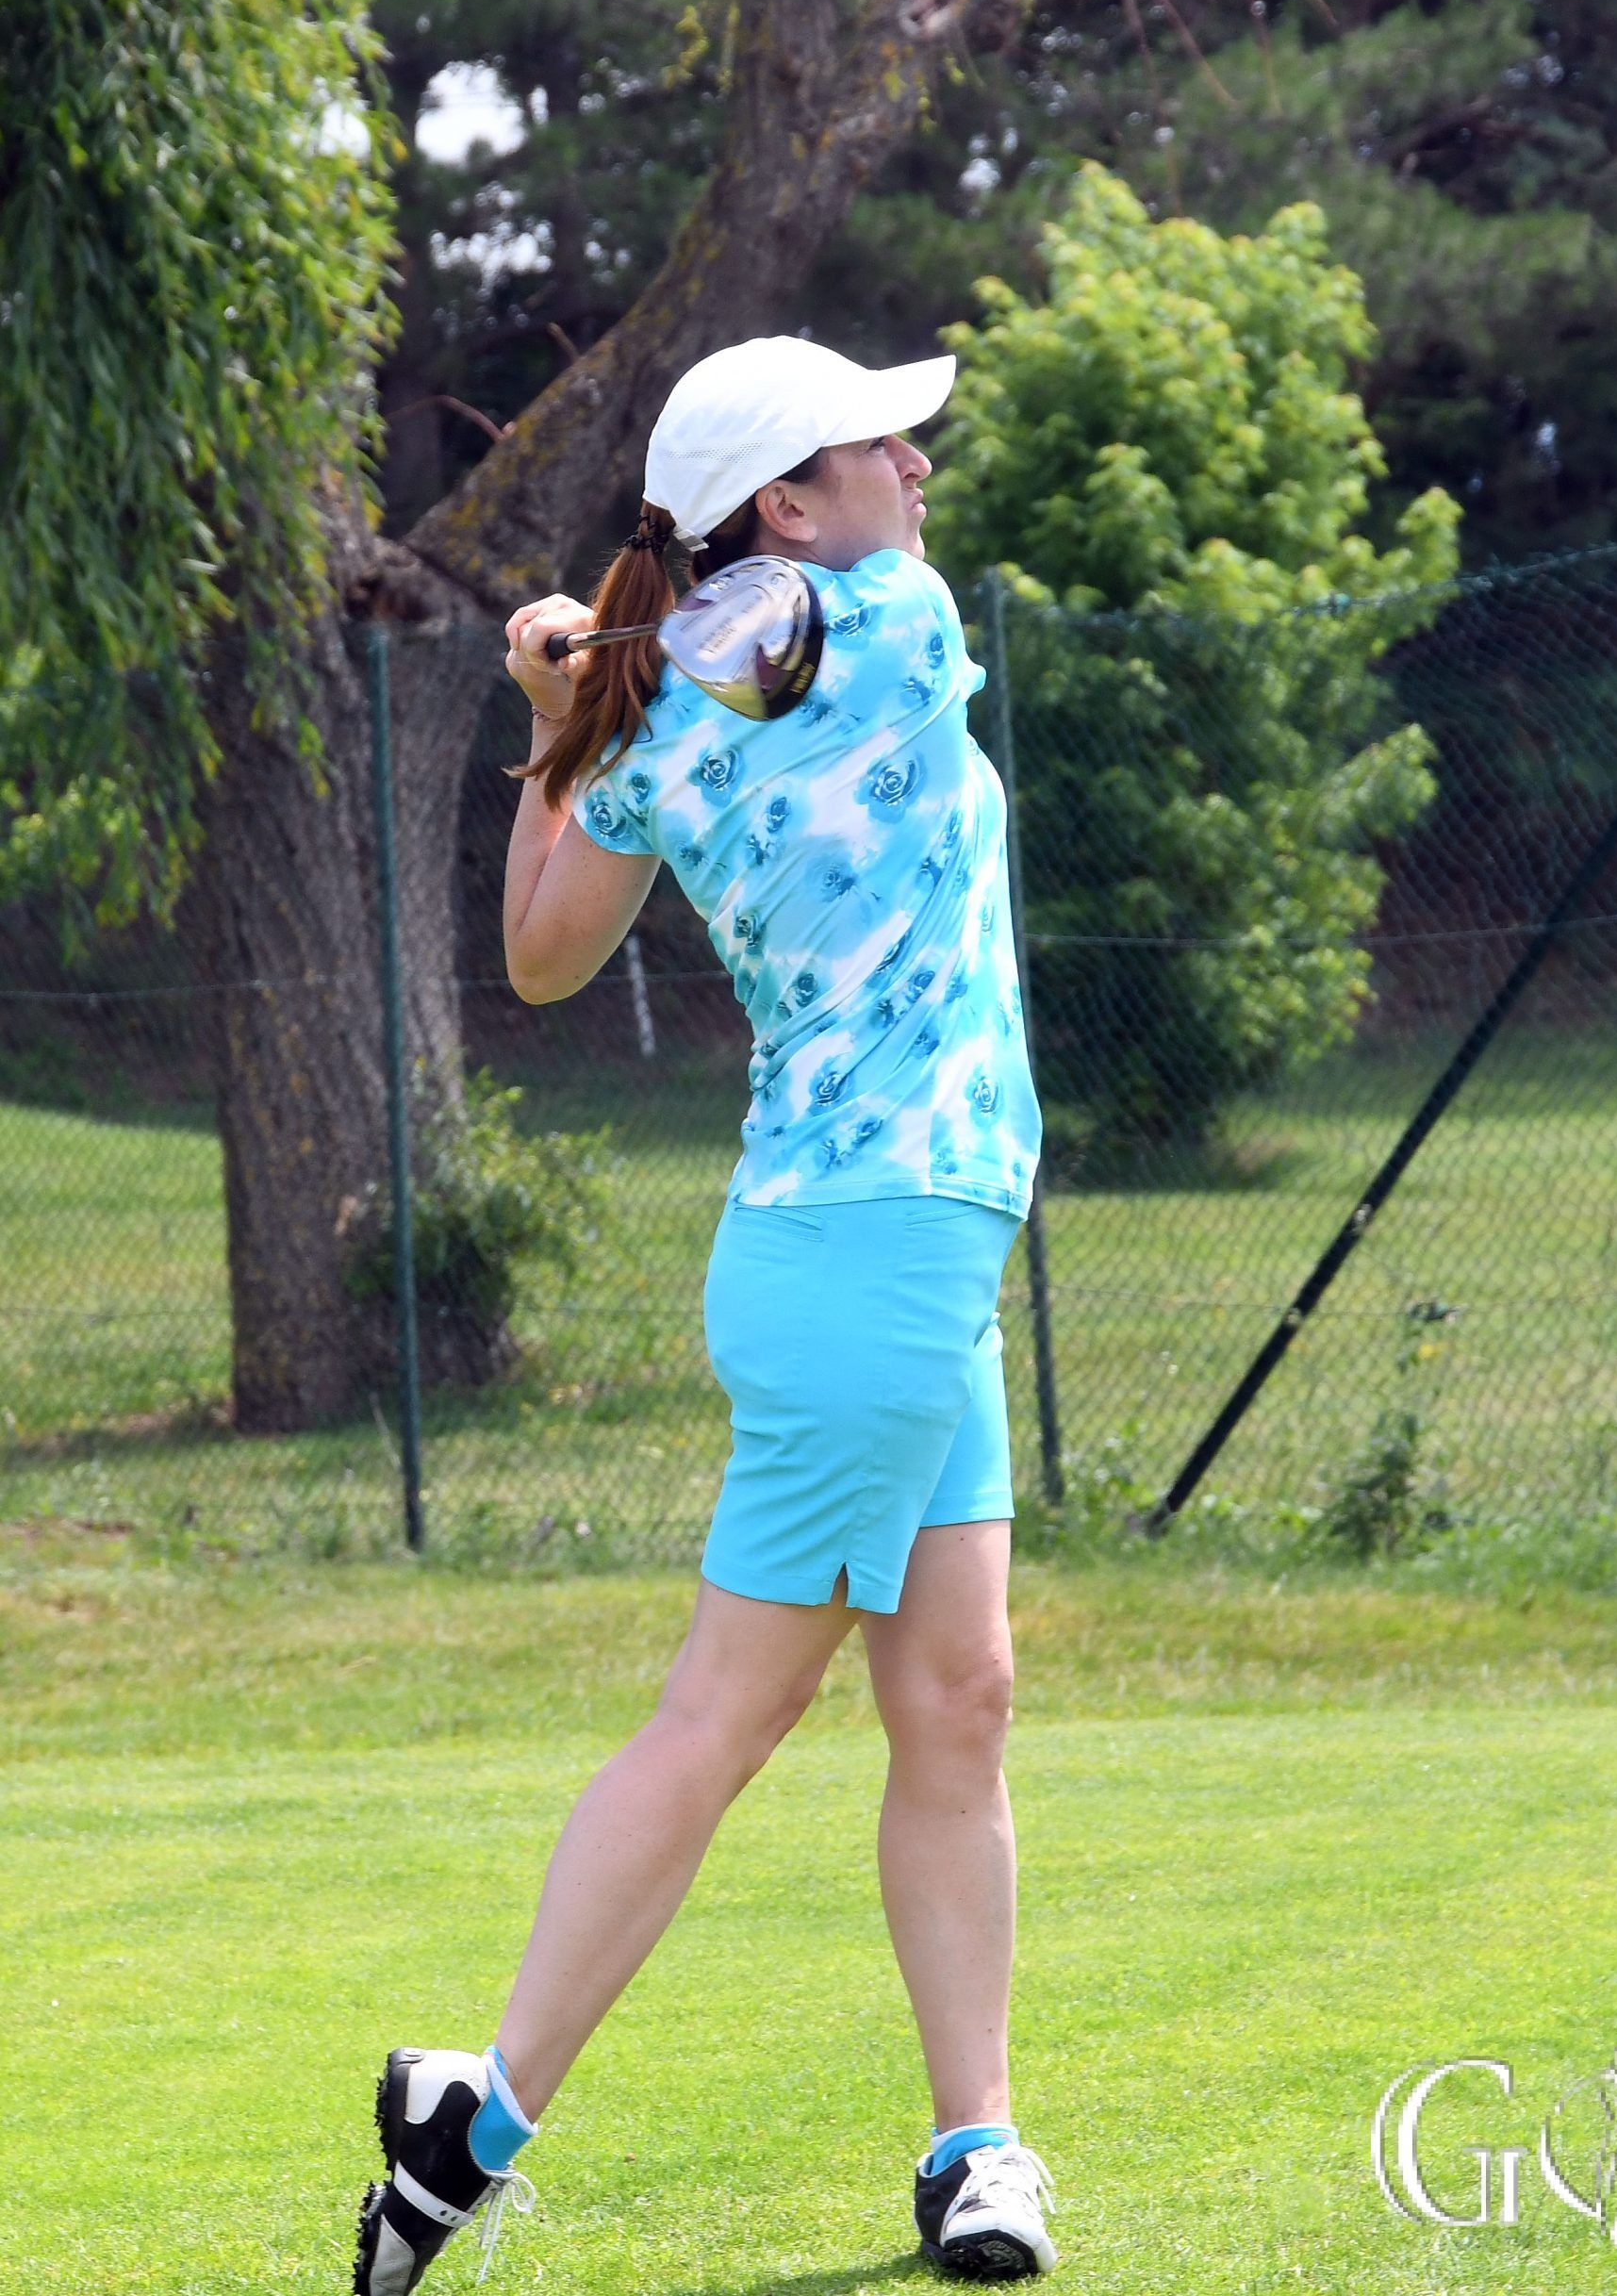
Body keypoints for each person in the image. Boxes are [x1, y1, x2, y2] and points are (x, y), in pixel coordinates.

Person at [352, 338, 1054, 2293]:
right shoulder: (893, 620)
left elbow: (543, 944)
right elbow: (544, 956)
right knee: (727, 1715)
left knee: (958, 1695)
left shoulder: (668, 707)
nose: (916, 461)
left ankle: (977, 2145)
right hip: (869, 1247)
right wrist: (583, 709)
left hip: (893, 1240)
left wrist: (570, 713)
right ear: (791, 504)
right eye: (874, 442)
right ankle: (476, 2112)